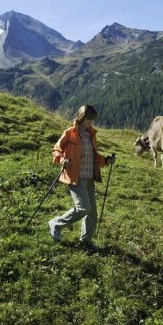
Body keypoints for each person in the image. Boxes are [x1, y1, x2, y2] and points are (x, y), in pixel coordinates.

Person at [48, 104, 115, 253]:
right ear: (81, 117)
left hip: (89, 176)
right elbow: (56, 149)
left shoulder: (91, 134)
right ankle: (56, 224)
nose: (91, 121)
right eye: (89, 118)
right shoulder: (70, 133)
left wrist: (106, 160)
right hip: (75, 175)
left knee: (92, 212)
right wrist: (61, 160)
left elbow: (93, 156)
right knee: (84, 207)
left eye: (92, 119)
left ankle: (86, 240)